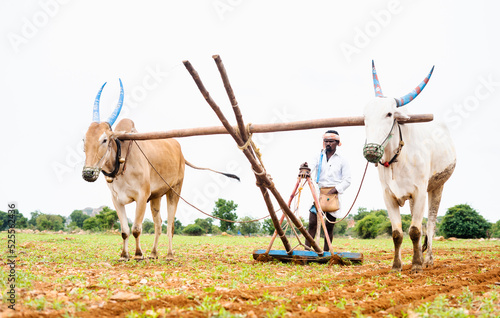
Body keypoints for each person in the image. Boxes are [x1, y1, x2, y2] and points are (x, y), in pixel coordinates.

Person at [305, 130, 351, 251]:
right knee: (312, 224)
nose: (328, 144)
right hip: (318, 193)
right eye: (326, 141)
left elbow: (347, 180)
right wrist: (305, 170)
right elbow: (310, 168)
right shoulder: (317, 156)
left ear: (337, 143)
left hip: (333, 195)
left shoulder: (342, 160)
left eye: (331, 141)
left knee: (329, 227)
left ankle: (326, 252)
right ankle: (307, 251)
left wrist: (335, 190)